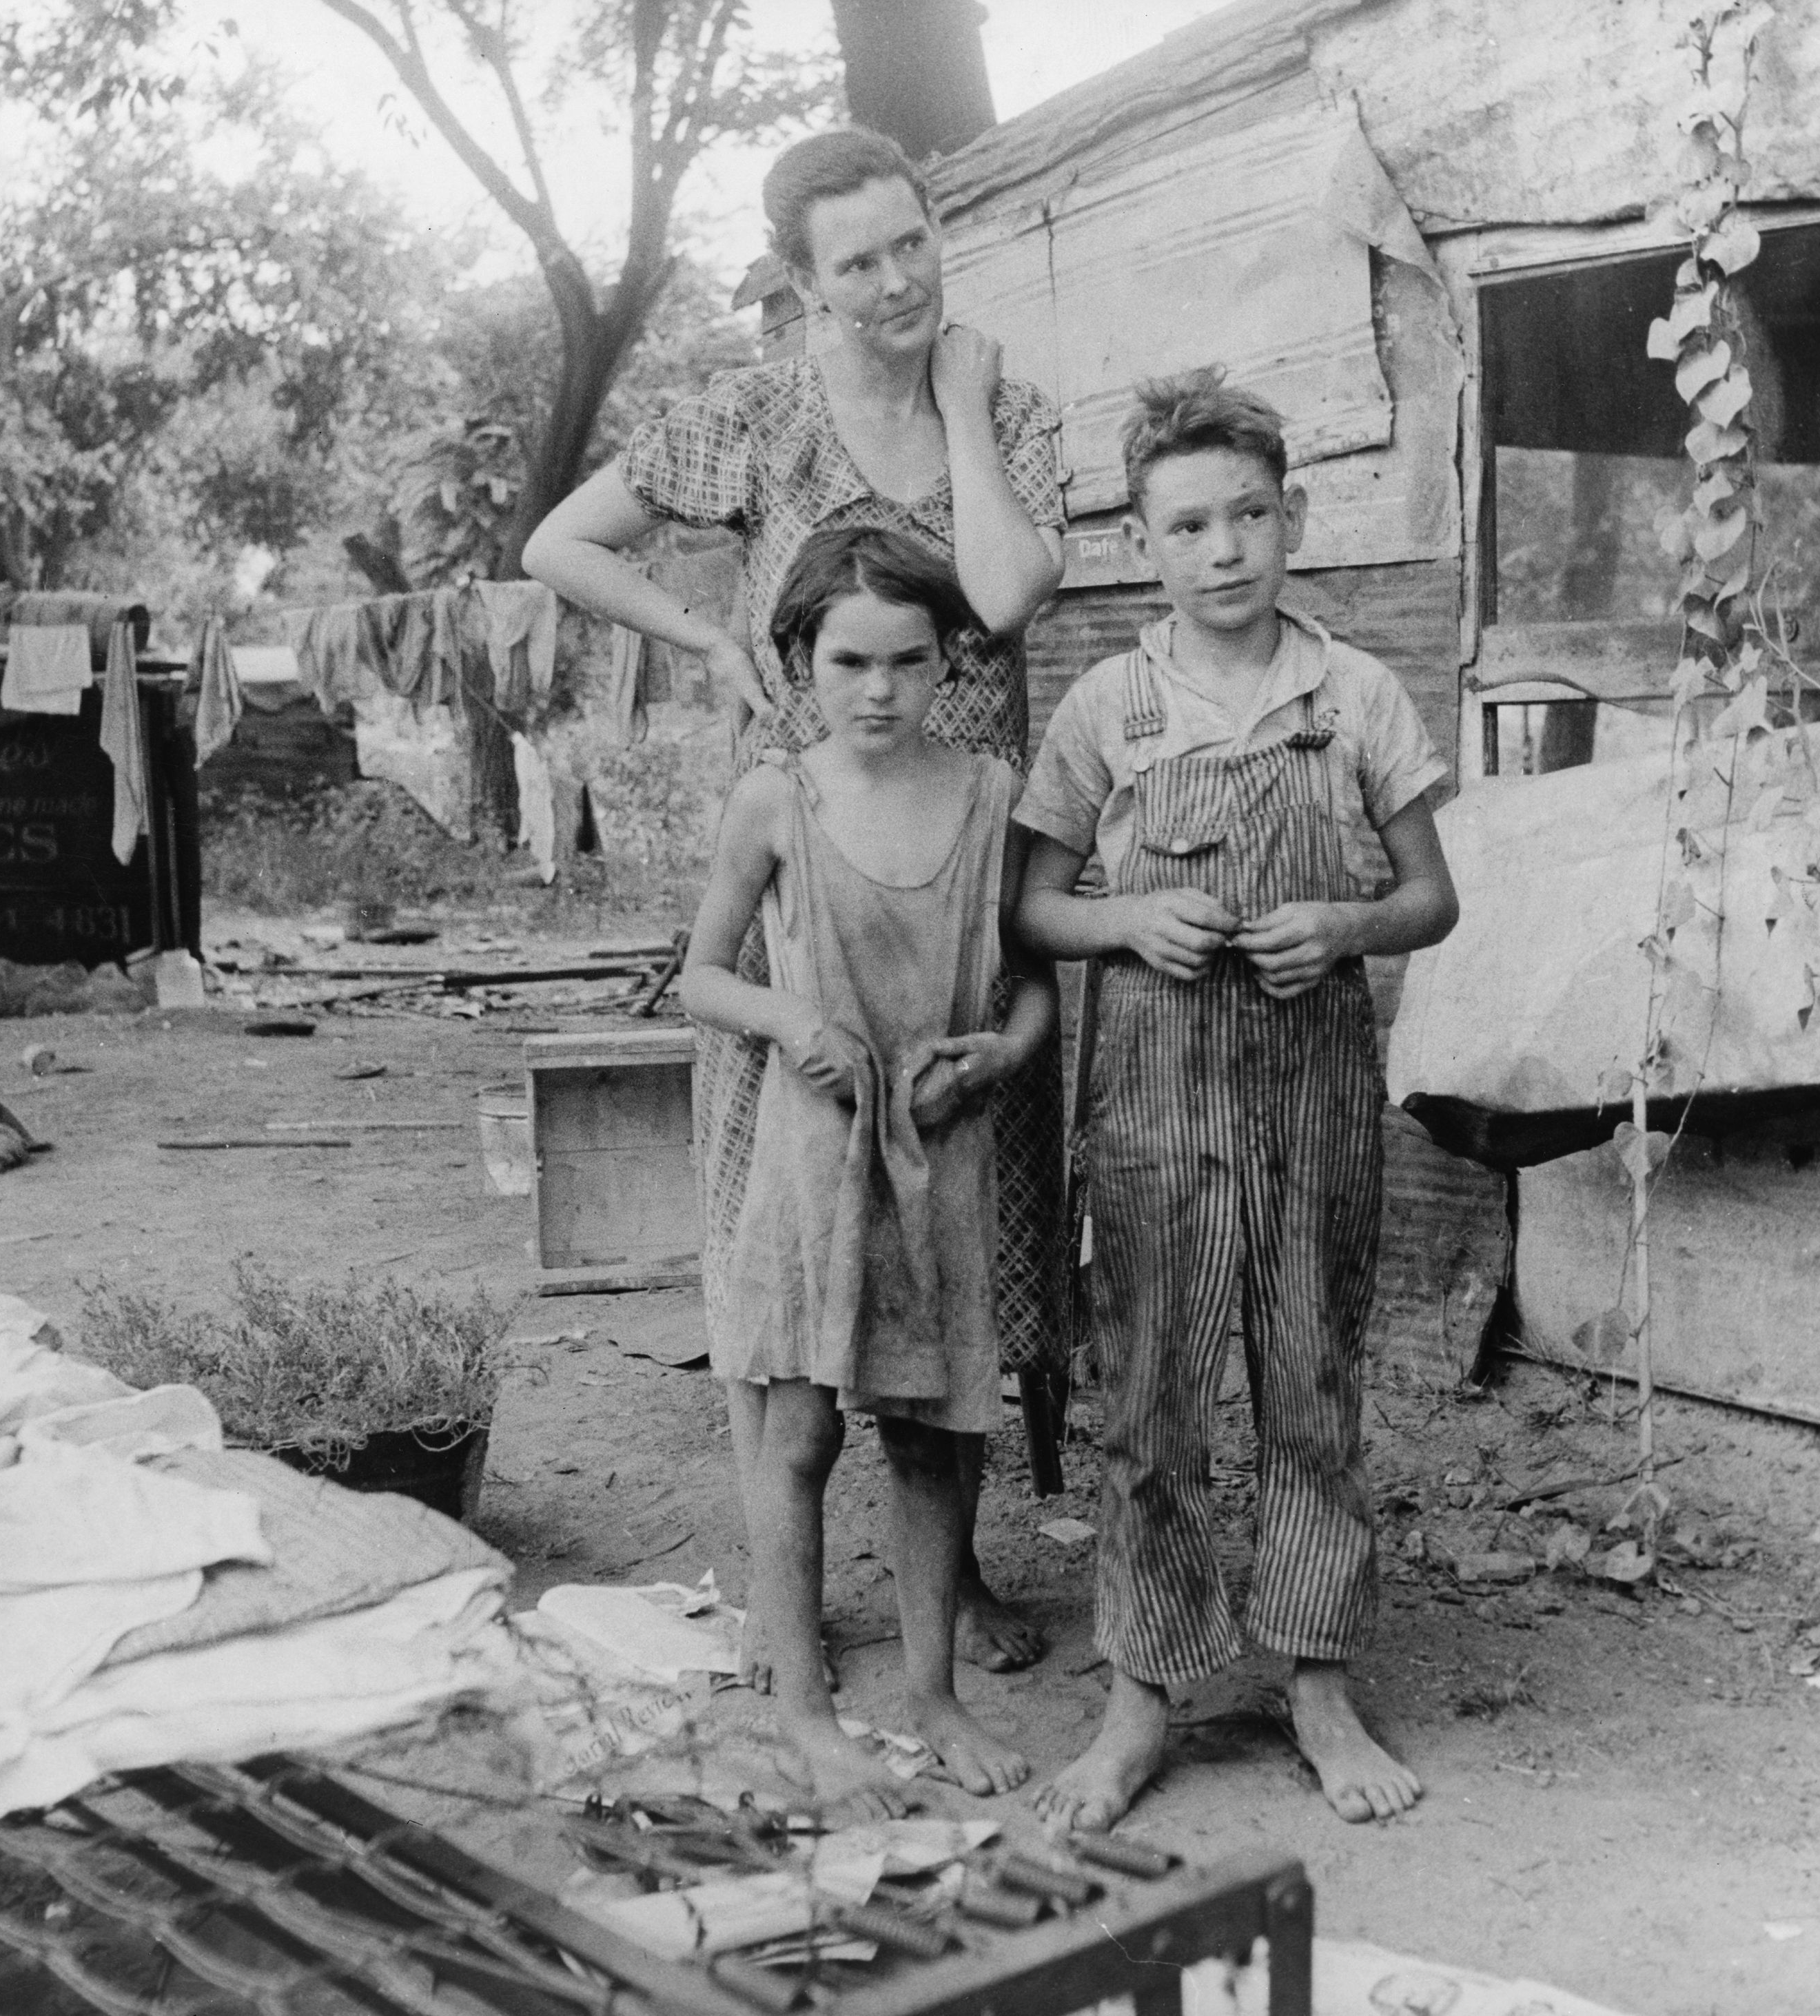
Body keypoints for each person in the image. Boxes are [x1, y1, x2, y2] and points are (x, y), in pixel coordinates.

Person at [523, 125, 1066, 1678]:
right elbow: (556, 541)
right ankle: (792, 1596)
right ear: (798, 282)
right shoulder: (752, 417)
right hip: (809, 876)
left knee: (966, 1223)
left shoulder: (1005, 408)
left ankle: (945, 1587)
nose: (896, 281)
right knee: (797, 1225)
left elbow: (1011, 594)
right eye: (857, 262)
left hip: (964, 874)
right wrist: (702, 640)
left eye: (912, 242)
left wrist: (950, 401)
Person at [1014, 368, 1460, 1831]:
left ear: (1291, 518)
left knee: (1310, 1380)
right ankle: (1141, 1694)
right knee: (1149, 1396)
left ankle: (1316, 1677)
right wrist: (1125, 918)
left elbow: (1427, 899)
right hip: (1147, 1103)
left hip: (1314, 1092)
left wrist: (1340, 925)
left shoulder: (1355, 696)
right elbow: (1032, 907)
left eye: (1249, 515)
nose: (1224, 550)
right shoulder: (1106, 706)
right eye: (1189, 523)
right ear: (1142, 541)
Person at [678, 526, 1055, 1817]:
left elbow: (1037, 985)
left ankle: (932, 1694)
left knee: (936, 1433)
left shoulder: (991, 791)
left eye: (908, 660)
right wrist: (792, 1021)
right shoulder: (778, 799)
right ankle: (802, 1708)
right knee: (798, 1425)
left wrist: (998, 1053)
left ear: (949, 659)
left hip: (940, 1153)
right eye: (849, 661)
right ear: (799, 661)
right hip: (812, 1154)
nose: (879, 689)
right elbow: (702, 973)